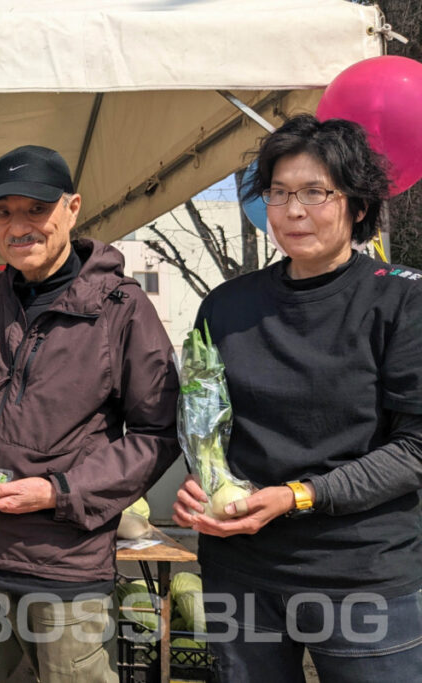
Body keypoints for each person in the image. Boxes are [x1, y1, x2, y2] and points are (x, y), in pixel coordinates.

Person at [172, 115, 422, 681]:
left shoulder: (402, 301)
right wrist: (200, 481)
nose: (294, 211)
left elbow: (414, 449)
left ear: (357, 205)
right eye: (279, 193)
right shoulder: (228, 306)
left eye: (316, 192)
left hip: (359, 575)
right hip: (240, 567)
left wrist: (298, 496)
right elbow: (203, 421)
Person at [0, 145, 180, 682]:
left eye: (35, 209)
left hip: (63, 567)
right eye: (3, 212)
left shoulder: (121, 308)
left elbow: (156, 434)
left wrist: (59, 490)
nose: (18, 226)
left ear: (72, 208)